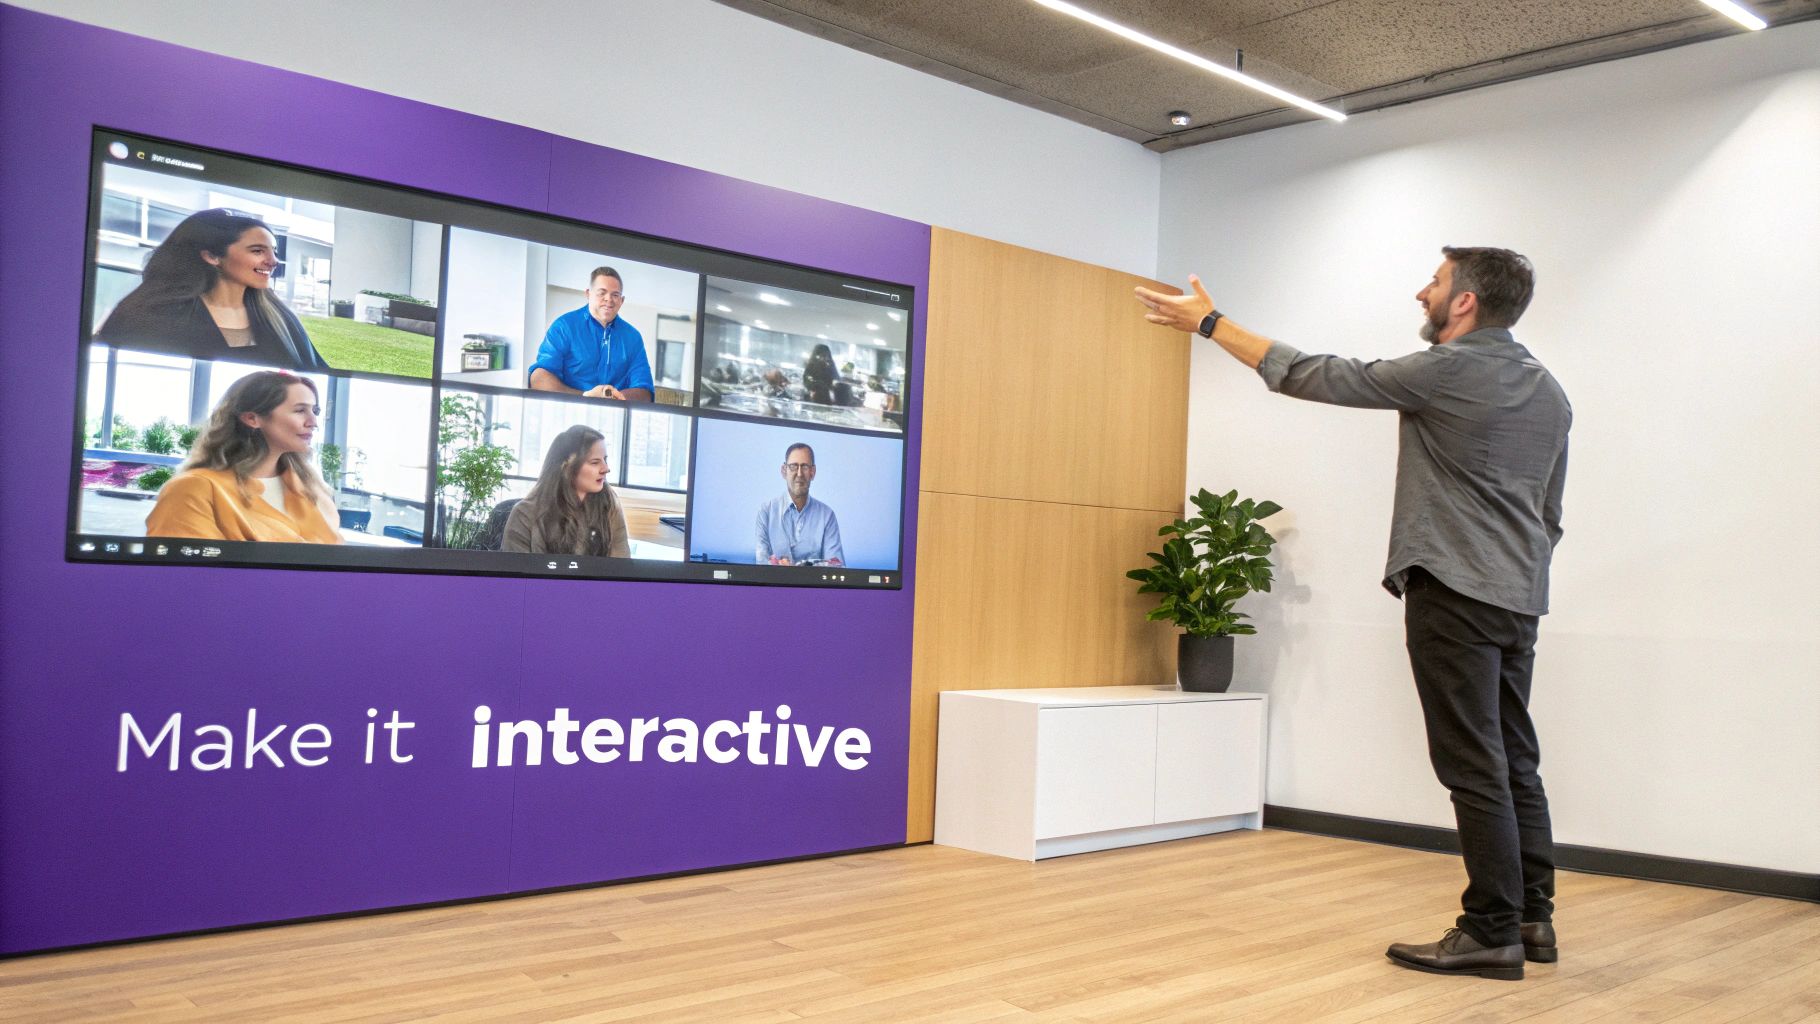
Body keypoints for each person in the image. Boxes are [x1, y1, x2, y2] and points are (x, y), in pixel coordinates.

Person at [1136, 247, 1570, 982]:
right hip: (1517, 595)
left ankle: (1489, 929)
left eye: (1434, 283)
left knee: (1473, 763)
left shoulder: (1449, 371)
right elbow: (1549, 512)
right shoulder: (1549, 391)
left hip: (1456, 592)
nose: (1421, 293)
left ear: (1464, 303)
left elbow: (1317, 374)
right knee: (1513, 759)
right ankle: (1532, 919)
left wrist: (1209, 323)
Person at [96, 208, 328, 370]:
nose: (273, 260)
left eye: (274, 251)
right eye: (258, 251)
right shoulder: (150, 315)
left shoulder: (281, 318)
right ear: (211, 255)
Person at [145, 370, 341, 542]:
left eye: (315, 411)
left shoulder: (313, 489)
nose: (313, 422)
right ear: (252, 418)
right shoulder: (194, 489)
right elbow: (182, 575)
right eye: (300, 410)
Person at [502, 424, 630, 557]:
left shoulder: (608, 503)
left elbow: (620, 566)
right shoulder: (524, 515)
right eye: (595, 462)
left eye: (605, 459)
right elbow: (516, 576)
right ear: (566, 467)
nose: (606, 468)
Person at [527, 267, 654, 401]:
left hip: (616, 416)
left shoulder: (633, 338)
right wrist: (585, 397)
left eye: (615, 295)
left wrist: (613, 398)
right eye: (602, 293)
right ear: (588, 294)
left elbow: (645, 391)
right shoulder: (564, 326)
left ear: (621, 301)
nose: (609, 299)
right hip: (567, 411)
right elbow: (538, 378)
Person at [755, 442, 843, 566]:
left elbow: (836, 565)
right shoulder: (766, 512)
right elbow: (762, 565)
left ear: (813, 472)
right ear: (784, 471)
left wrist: (798, 567)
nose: (800, 473)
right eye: (793, 466)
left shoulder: (827, 516)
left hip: (813, 586)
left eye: (805, 467)